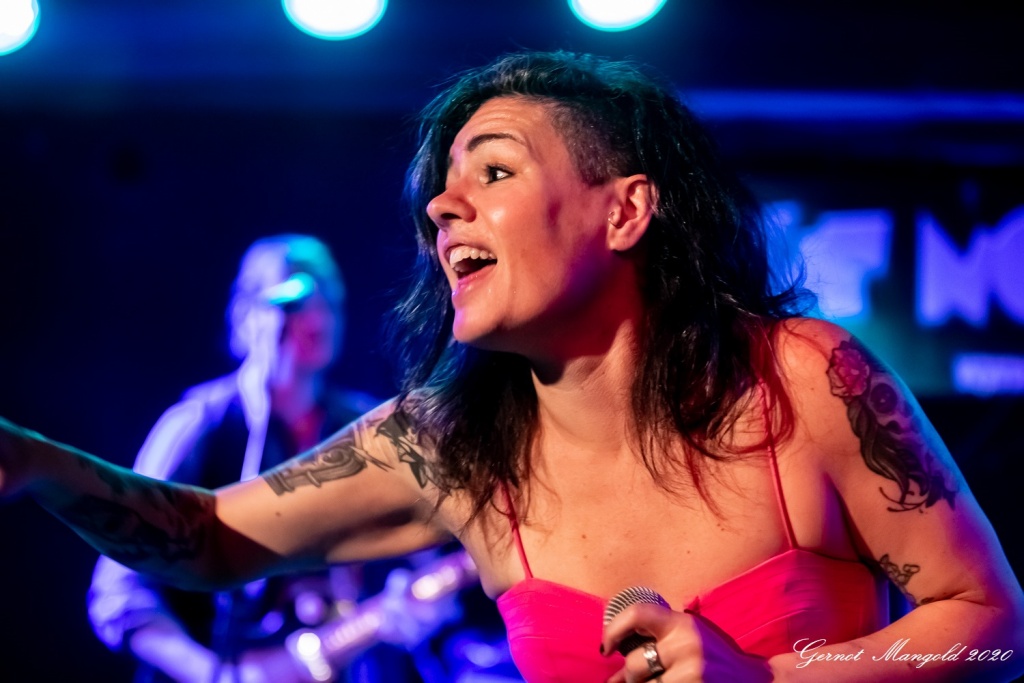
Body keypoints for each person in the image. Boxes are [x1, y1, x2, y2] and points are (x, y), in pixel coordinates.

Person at [2, 51, 1023, 683]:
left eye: (492, 170)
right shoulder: (446, 444)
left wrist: (766, 679)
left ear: (625, 211)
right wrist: (35, 462)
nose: (442, 208)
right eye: (442, 190)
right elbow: (208, 537)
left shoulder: (806, 378)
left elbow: (990, 631)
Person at [86, 234, 462, 683]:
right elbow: (119, 591)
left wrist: (415, 609)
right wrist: (211, 675)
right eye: (298, 294)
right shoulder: (201, 424)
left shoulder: (367, 426)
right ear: (248, 315)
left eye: (330, 296)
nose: (317, 311)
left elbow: (418, 563)